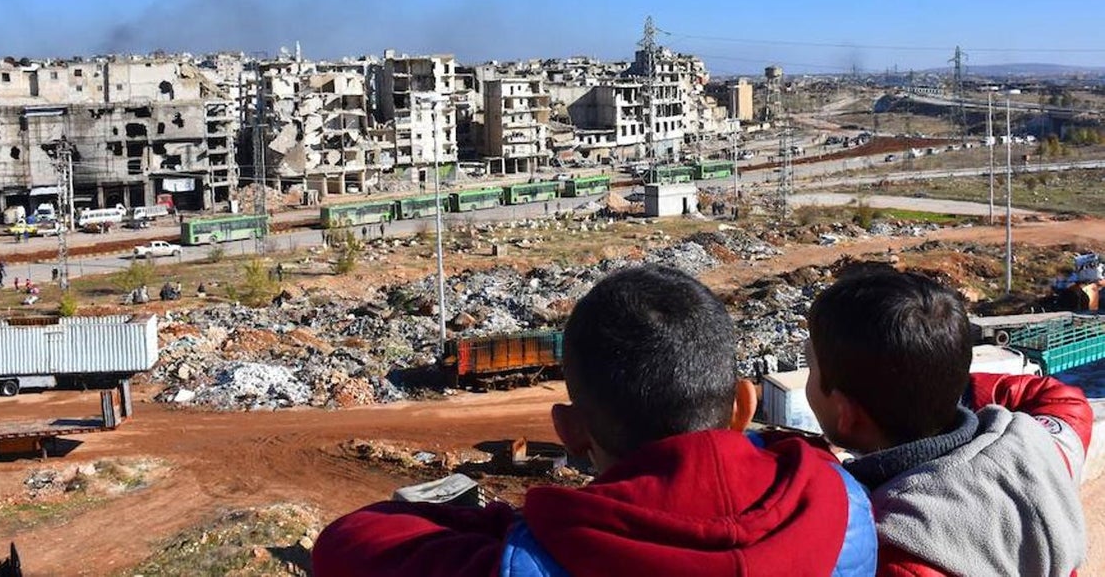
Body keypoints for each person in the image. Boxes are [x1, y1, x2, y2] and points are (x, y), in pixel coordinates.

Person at [313, 265, 876, 577]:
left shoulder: (534, 561)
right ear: (743, 406)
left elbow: (347, 542)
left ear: (571, 430)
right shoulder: (847, 508)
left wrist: (505, 525)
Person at [805, 266, 1092, 577]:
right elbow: (1061, 398)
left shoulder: (889, 548)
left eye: (810, 366)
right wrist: (936, 377)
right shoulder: (1037, 451)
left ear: (846, 416)